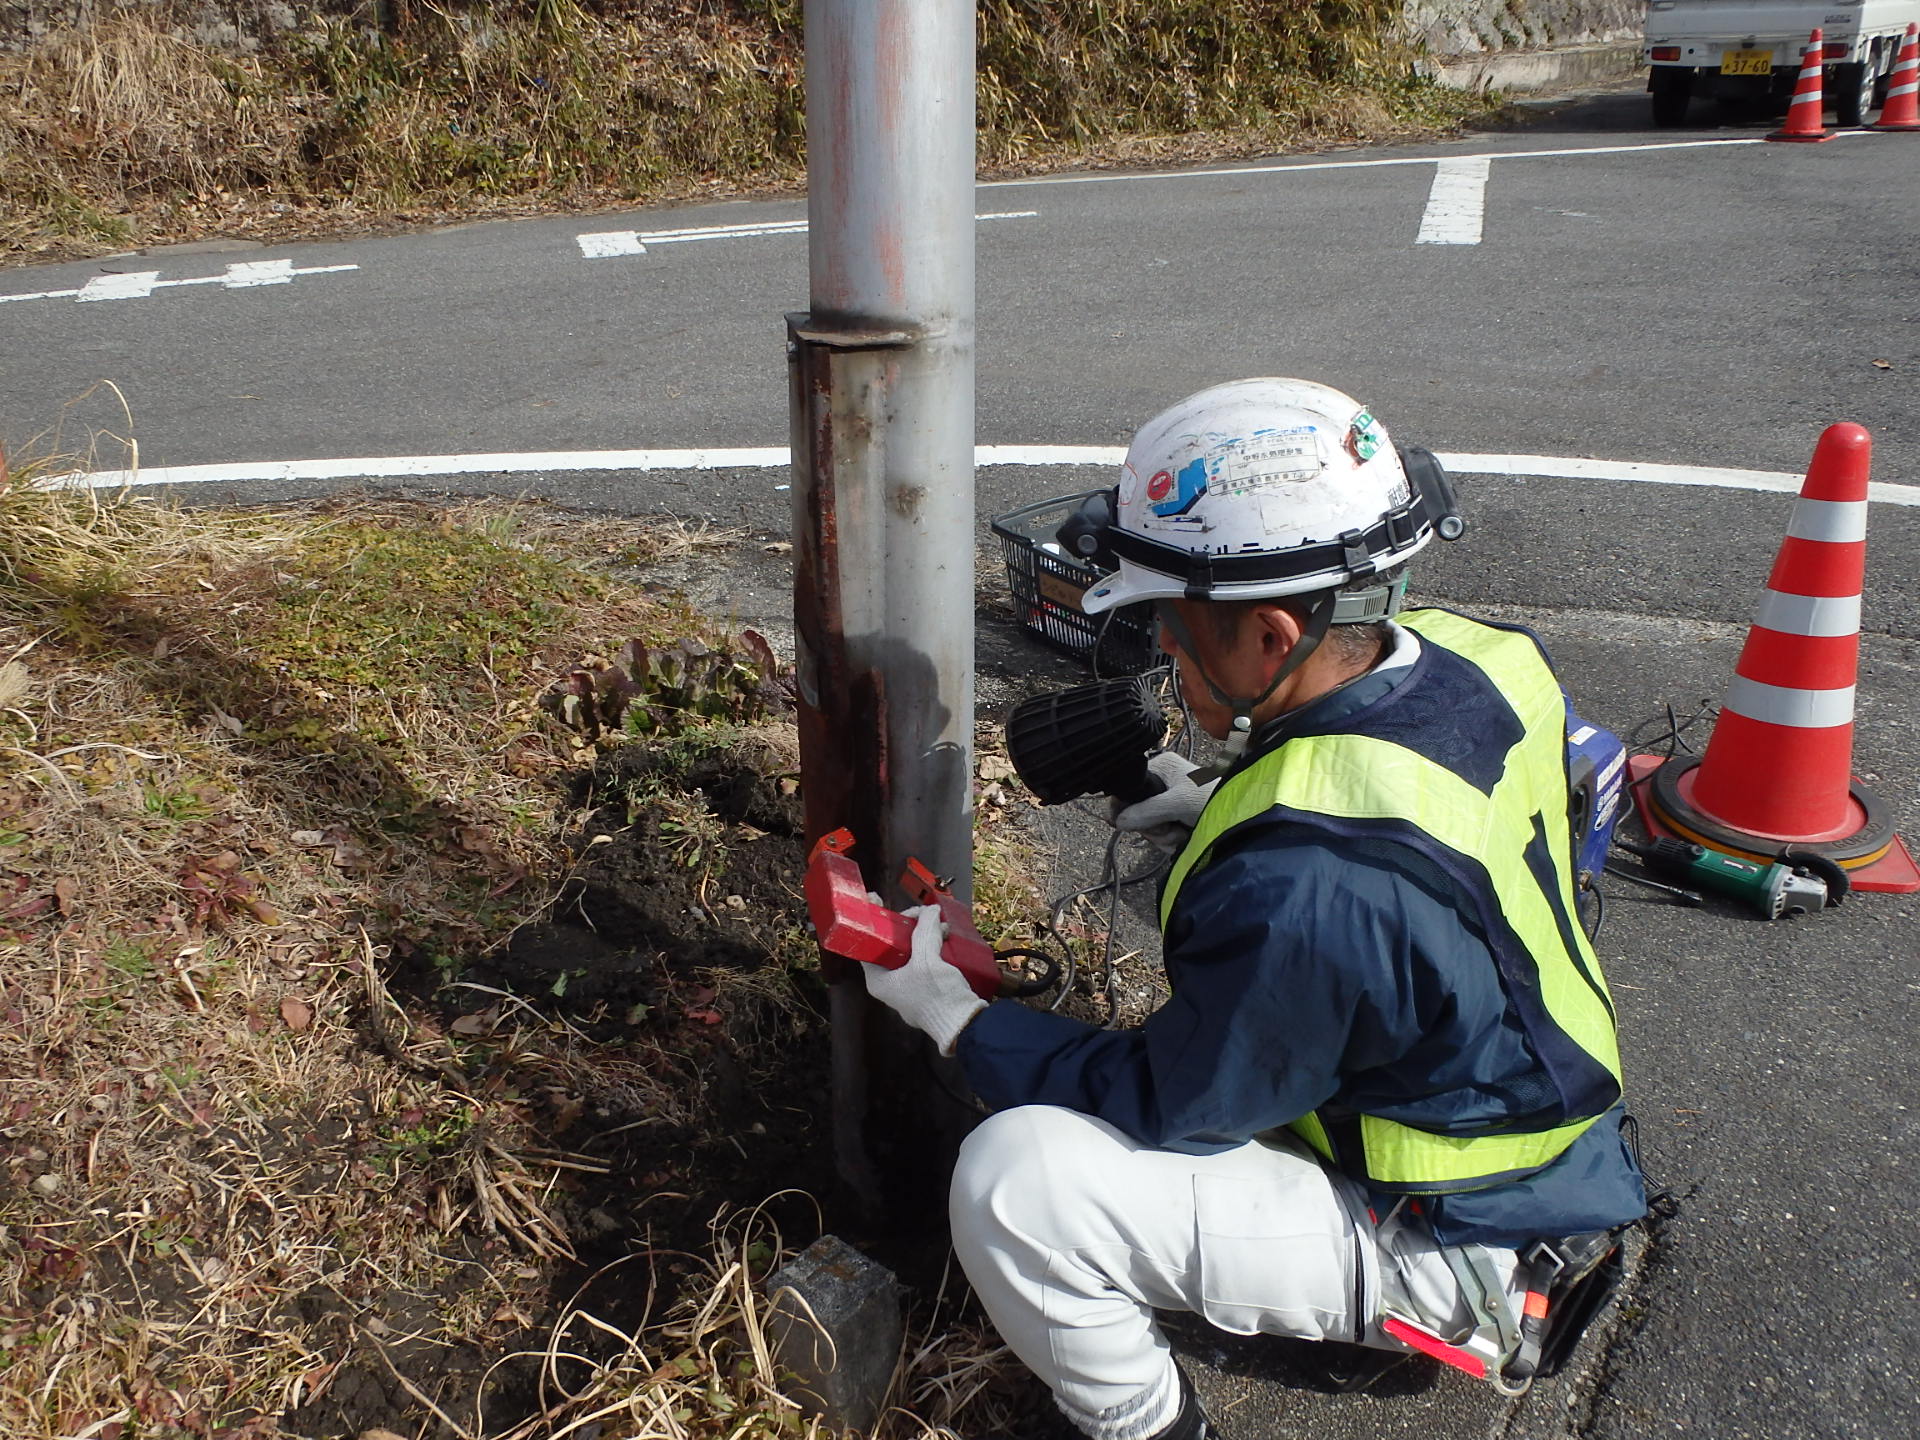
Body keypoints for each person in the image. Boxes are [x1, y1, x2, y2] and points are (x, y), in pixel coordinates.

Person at [861, 378, 1647, 1440]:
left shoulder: (1303, 887)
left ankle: (1149, 1426)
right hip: (1531, 1118)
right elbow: (1449, 842)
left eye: (1173, 628)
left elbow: (1173, 1100)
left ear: (1273, 637)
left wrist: (960, 1021)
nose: (1165, 656)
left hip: (1466, 1234)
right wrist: (1219, 808)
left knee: (1016, 1186)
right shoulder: (1487, 657)